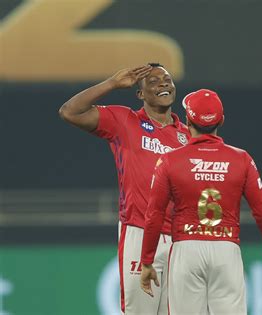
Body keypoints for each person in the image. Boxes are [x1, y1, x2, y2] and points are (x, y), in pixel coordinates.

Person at [59, 63, 190, 315]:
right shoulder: (124, 120)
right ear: (140, 94)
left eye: (167, 79)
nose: (163, 83)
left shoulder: (187, 135)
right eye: (152, 81)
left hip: (181, 239)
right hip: (140, 231)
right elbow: (69, 112)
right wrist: (111, 83)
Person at [140, 88, 262, 315]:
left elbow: (154, 214)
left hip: (186, 250)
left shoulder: (169, 160)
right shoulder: (242, 159)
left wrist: (147, 261)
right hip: (226, 250)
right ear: (222, 120)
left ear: (187, 120)